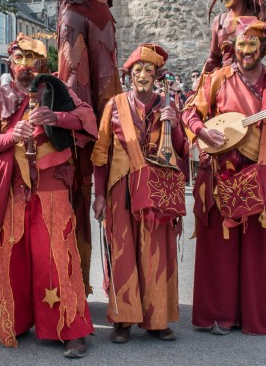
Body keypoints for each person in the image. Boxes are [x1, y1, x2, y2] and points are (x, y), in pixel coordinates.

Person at [20, 0, 191, 290]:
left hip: (99, 15)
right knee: (72, 76)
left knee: (105, 80)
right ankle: (75, 116)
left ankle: (107, 117)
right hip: (70, 16)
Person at [182, 17, 266, 335]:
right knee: (221, 248)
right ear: (233, 47)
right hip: (221, 174)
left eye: (253, 44)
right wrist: (204, 133)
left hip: (264, 174)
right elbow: (190, 113)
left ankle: (260, 315)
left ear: (263, 48)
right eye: (241, 44)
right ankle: (218, 314)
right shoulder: (217, 78)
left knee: (259, 249)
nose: (247, 50)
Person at [0, 34, 97, 358]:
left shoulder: (58, 90)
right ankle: (15, 320)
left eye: (33, 59)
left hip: (52, 187)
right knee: (13, 257)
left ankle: (72, 329)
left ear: (42, 63)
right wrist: (10, 135)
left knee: (58, 257)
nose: (26, 65)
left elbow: (88, 122)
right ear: (11, 60)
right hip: (15, 189)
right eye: (20, 57)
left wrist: (56, 117)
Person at [91, 43, 188, 344]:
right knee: (123, 253)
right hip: (120, 186)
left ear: (157, 76)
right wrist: (99, 195)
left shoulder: (168, 106)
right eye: (137, 71)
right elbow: (101, 153)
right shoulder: (114, 105)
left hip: (156, 190)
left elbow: (183, 152)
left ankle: (157, 319)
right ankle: (123, 319)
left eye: (148, 70)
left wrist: (177, 124)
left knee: (155, 253)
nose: (142, 75)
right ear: (129, 76)